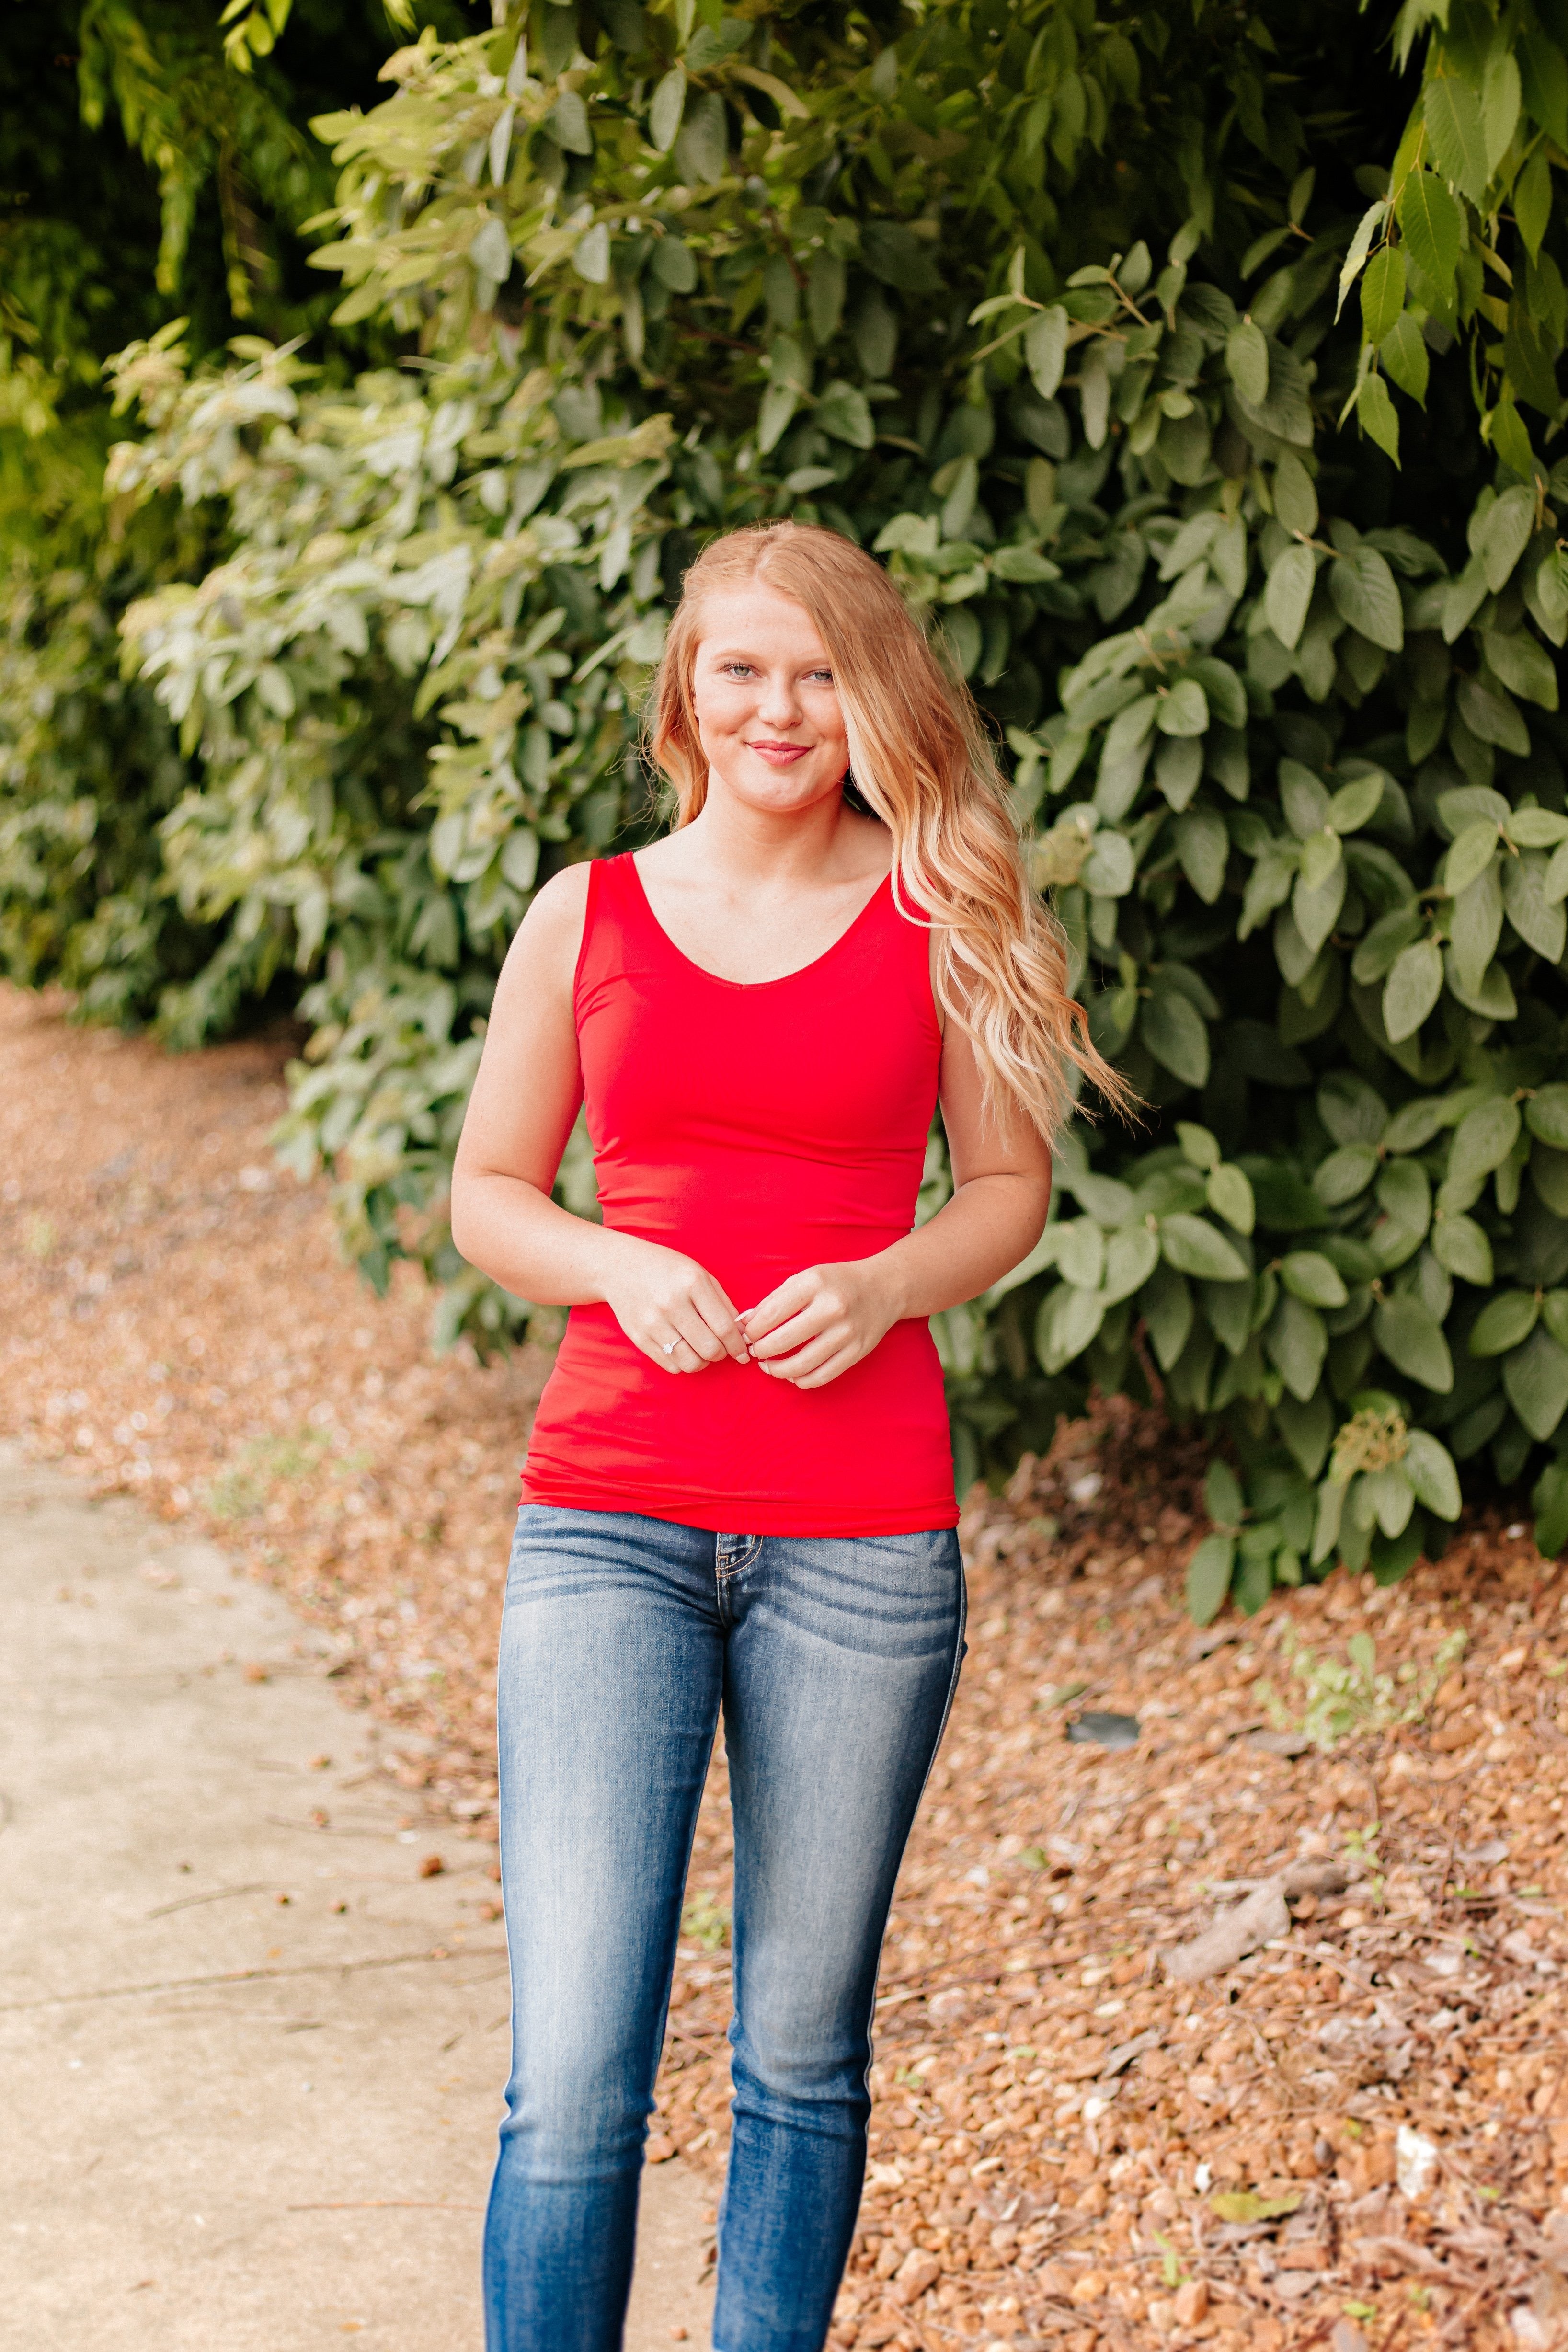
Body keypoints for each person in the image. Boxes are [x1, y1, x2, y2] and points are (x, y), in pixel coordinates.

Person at [450, 520, 1126, 2352]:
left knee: (799, 2057)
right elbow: (488, 1196)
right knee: (576, 2069)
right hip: (608, 1519)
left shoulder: (937, 906)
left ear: (872, 694)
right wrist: (615, 1258)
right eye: (742, 667)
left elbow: (1005, 1192)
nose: (779, 706)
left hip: (861, 1539)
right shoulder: (579, 912)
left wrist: (892, 1282)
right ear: (686, 689)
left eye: (821, 671)